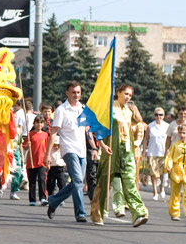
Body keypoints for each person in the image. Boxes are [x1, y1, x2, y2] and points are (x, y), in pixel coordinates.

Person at [90, 85, 148, 227]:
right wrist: (102, 145)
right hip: (111, 149)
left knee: (129, 181)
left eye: (130, 95)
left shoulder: (128, 112)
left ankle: (139, 213)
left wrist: (134, 151)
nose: (128, 97)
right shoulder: (110, 109)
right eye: (125, 94)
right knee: (104, 182)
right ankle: (97, 213)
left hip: (126, 151)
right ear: (119, 93)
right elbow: (98, 129)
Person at [46, 82, 91, 223]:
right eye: (73, 92)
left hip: (82, 150)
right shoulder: (61, 110)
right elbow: (53, 133)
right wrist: (47, 154)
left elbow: (88, 130)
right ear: (67, 93)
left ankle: (53, 201)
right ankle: (80, 213)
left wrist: (95, 147)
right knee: (77, 180)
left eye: (78, 92)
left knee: (77, 182)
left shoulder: (83, 108)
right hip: (68, 149)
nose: (76, 95)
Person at [164, 124, 186, 221]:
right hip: (176, 170)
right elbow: (169, 156)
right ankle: (175, 213)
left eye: (184, 133)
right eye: (180, 133)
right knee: (175, 192)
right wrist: (168, 166)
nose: (182, 135)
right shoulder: (174, 145)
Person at [142, 107, 168, 200]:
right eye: (156, 115)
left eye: (160, 115)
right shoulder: (150, 126)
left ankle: (161, 187)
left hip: (163, 153)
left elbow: (169, 140)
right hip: (152, 152)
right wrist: (144, 150)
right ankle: (155, 191)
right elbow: (146, 139)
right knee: (153, 173)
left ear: (163, 116)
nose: (158, 117)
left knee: (162, 173)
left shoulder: (166, 126)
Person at [22, 116, 49, 206]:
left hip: (42, 161)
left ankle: (43, 198)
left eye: (41, 123)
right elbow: (24, 147)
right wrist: (27, 146)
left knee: (42, 180)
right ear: (34, 124)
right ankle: (32, 199)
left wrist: (48, 160)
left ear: (43, 124)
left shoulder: (45, 135)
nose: (39, 124)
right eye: (37, 123)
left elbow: (47, 148)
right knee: (32, 181)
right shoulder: (30, 135)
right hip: (31, 161)